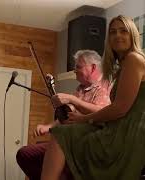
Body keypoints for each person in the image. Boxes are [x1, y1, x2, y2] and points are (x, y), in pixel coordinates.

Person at [40, 14, 145, 180]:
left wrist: (83, 119)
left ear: (133, 35)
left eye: (123, 31)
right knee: (62, 132)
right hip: (125, 128)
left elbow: (119, 109)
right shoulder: (124, 65)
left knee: (61, 134)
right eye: (113, 32)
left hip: (132, 133)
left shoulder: (134, 59)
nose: (118, 35)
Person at [16, 49, 112, 180]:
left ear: (93, 67)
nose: (74, 70)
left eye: (78, 67)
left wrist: (73, 100)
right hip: (69, 139)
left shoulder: (105, 86)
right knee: (25, 154)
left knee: (57, 155)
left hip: (87, 143)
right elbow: (68, 116)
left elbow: (102, 112)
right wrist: (48, 126)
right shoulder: (80, 89)